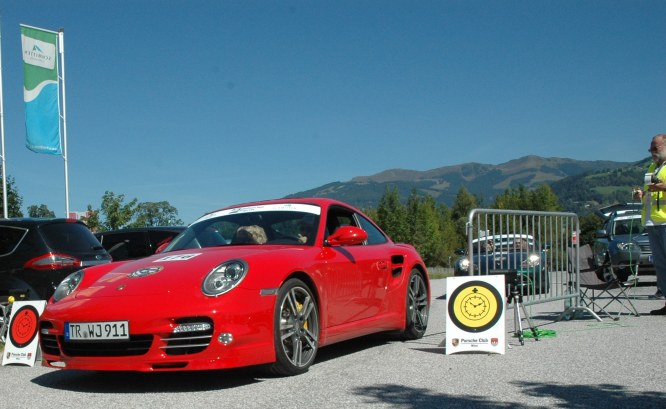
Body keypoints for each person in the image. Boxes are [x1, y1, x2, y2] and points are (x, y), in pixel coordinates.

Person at [634, 133, 666, 315]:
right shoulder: (652, 167)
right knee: (661, 265)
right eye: (650, 149)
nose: (652, 152)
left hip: (665, 220)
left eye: (656, 148)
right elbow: (651, 193)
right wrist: (642, 195)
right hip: (652, 221)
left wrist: (661, 186)